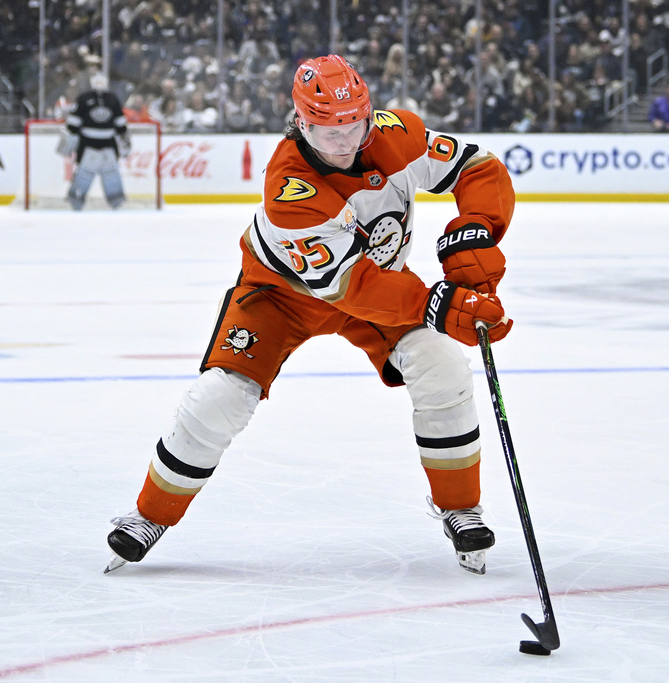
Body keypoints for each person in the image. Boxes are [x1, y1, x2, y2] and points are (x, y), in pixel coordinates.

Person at [104, 54, 515, 576]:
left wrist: (477, 228)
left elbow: (480, 167)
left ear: (369, 115)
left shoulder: (399, 134)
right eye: (326, 130)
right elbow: (348, 286)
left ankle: (460, 506)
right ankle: (150, 515)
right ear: (300, 122)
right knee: (221, 396)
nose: (343, 143)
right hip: (283, 295)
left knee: (442, 365)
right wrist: (437, 302)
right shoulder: (289, 192)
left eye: (353, 126)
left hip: (380, 285)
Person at [57, 72, 129, 210]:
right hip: (87, 143)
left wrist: (124, 139)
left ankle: (116, 200)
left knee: (111, 173)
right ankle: (76, 199)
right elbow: (74, 123)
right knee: (84, 172)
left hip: (108, 143)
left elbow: (120, 123)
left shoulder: (112, 99)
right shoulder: (84, 99)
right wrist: (69, 140)